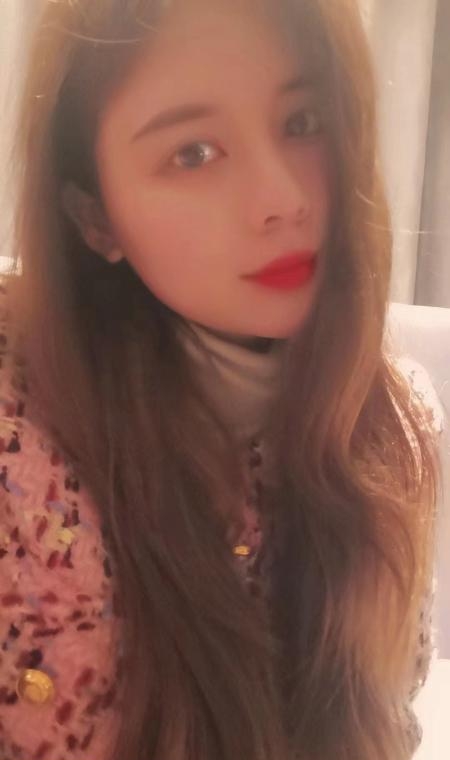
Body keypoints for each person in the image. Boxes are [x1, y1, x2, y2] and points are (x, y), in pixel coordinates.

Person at [0, 1, 443, 759]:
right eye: (194, 153)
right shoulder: (24, 456)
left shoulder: (392, 423)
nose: (284, 199)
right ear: (93, 217)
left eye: (303, 122)